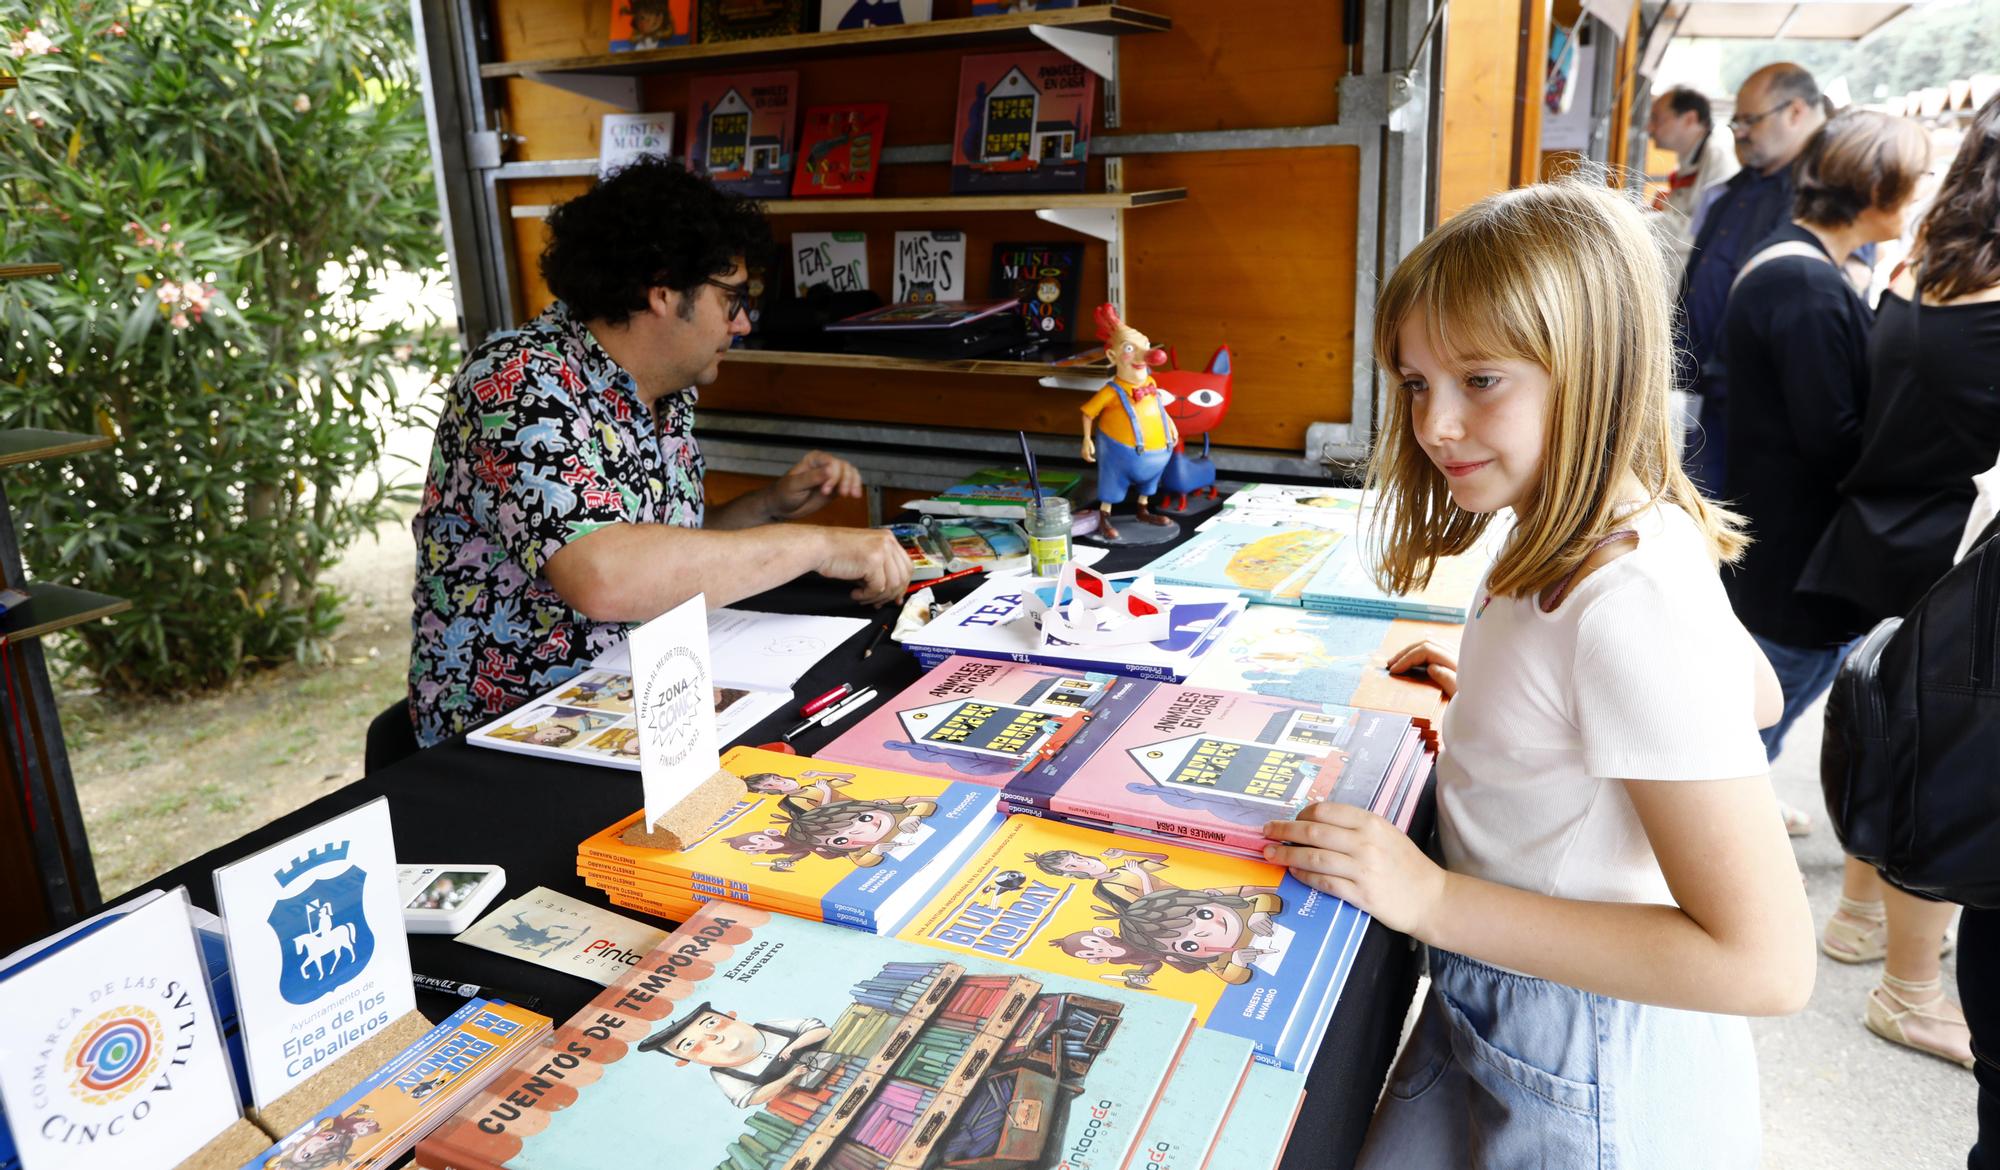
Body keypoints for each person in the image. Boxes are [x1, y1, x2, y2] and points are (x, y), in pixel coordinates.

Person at [1265, 180, 1814, 1168]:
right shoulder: (1614, 519)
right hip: (1512, 996)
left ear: (1595, 368)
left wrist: (1429, 901)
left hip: (1585, 1047)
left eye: (1479, 380)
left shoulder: (1629, 599)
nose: (1433, 424)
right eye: (1414, 382)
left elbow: (1766, 964)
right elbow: (1755, 693)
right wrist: (1516, 711)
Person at [406, 157, 910, 746]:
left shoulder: (663, 391)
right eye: (733, 298)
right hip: (515, 732)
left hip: (647, 700)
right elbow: (603, 573)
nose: (743, 323)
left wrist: (769, 507)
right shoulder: (519, 382)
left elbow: (666, 543)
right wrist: (819, 544)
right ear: (664, 291)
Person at [1798, 94, 2000, 1069]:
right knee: (1942, 760)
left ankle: (1852, 917)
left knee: (1888, 724)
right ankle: (1907, 988)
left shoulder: (1925, 261)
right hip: (1950, 540)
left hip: (1880, 522)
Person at [1674, 63, 1827, 494]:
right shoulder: (1743, 185)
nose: (1739, 131)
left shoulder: (1820, 194)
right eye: (1736, 121)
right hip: (1704, 393)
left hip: (1757, 410)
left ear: (1795, 111)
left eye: (1749, 120)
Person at [1647, 85, 1741, 270]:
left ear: (1690, 119)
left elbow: (1708, 227)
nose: (1649, 128)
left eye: (1657, 118)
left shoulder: (1720, 156)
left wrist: (1636, 224)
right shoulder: (1693, 154)